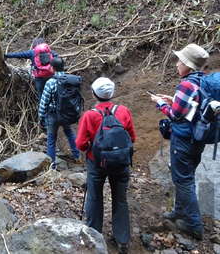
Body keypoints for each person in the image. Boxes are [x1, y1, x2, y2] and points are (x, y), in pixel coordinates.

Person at [150, 43, 209, 240]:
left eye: (181, 61)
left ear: (189, 66)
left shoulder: (186, 84)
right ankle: (179, 211)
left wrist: (160, 104)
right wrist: (172, 98)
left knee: (183, 181)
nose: (177, 64)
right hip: (197, 138)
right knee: (187, 175)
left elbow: (175, 115)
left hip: (183, 140)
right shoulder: (203, 81)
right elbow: (192, 107)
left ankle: (194, 225)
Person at [76, 77, 136, 254]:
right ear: (112, 93)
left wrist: (91, 149)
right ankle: (122, 240)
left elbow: (80, 143)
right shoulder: (123, 111)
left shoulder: (90, 115)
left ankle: (94, 237)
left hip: (97, 162)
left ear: (94, 94)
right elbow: (131, 137)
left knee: (94, 198)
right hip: (121, 163)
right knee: (120, 199)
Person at [38, 57, 80, 169]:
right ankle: (77, 156)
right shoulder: (70, 80)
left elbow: (44, 102)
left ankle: (52, 165)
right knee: (70, 133)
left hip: (52, 115)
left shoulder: (50, 82)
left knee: (51, 139)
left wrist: (41, 116)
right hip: (66, 114)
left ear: (52, 68)